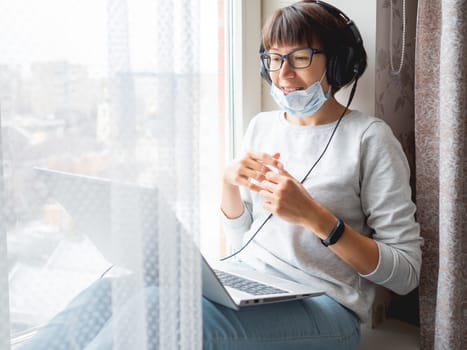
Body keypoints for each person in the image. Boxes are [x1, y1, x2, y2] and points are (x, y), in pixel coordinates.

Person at [19, 1, 422, 349]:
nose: (282, 74)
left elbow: (405, 273)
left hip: (329, 311)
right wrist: (229, 184)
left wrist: (315, 218)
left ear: (336, 61)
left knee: (156, 312)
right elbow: (241, 238)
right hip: (252, 288)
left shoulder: (370, 138)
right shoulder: (263, 127)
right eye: (273, 59)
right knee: (112, 290)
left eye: (299, 58)